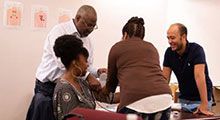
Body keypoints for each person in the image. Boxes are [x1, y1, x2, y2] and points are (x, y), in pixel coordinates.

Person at [26, 5, 106, 120]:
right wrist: (88, 77)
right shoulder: (59, 31)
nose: (90, 29)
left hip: (71, 87)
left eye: (94, 26)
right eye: (88, 25)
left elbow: (86, 66)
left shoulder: (87, 40)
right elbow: (63, 63)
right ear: (78, 18)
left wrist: (97, 72)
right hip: (48, 87)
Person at [105, 17, 172, 120]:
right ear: (142, 36)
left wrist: (97, 93)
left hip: (136, 105)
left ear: (125, 34)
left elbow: (110, 86)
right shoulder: (152, 47)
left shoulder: (117, 47)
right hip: (164, 99)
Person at [52, 35, 119, 120]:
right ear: (75, 63)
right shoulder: (65, 89)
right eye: (85, 61)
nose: (87, 65)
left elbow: (107, 98)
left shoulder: (82, 82)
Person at [163, 23, 214, 116]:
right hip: (183, 99)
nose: (170, 41)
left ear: (184, 36)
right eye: (168, 38)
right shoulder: (169, 53)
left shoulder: (196, 50)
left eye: (173, 38)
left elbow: (199, 76)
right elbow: (164, 79)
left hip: (200, 99)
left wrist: (204, 104)